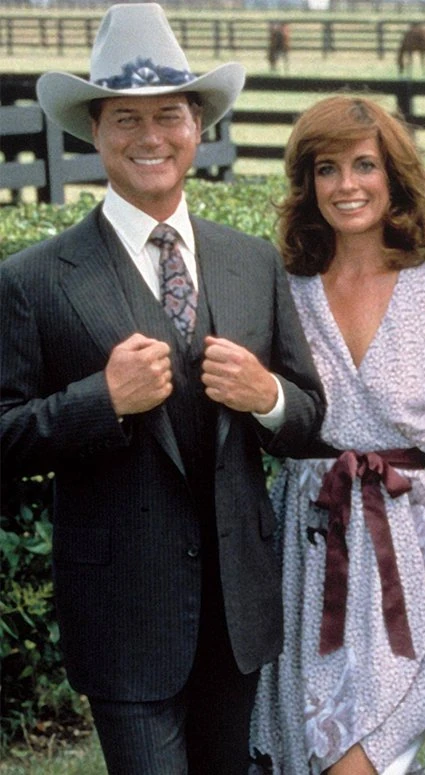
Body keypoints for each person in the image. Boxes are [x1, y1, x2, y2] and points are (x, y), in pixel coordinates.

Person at [0, 5, 326, 772]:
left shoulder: (251, 261)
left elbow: (311, 418)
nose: (151, 136)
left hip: (238, 612)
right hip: (123, 615)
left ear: (198, 126)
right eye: (126, 118)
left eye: (169, 115)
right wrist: (100, 400)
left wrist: (266, 395)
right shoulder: (34, 280)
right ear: (95, 131)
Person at [249, 96, 425, 774]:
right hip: (307, 551)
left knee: (369, 752)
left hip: (407, 558)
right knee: (313, 751)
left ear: (394, 177)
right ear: (308, 185)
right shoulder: (283, 293)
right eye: (326, 169)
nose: (347, 185)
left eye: (364, 165)